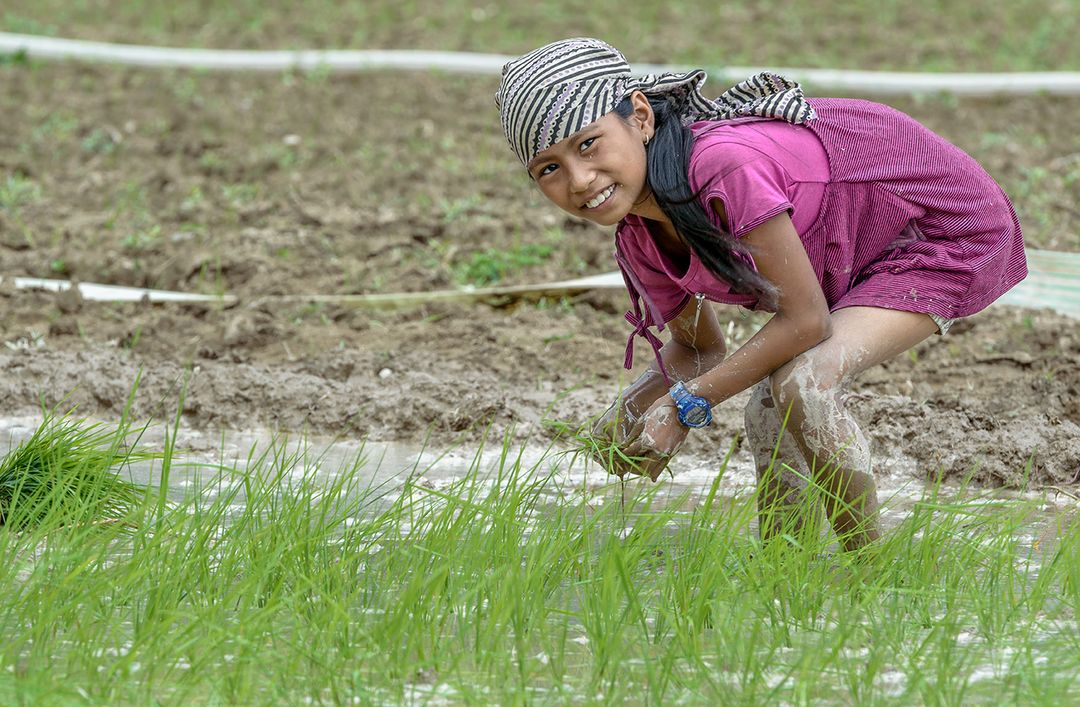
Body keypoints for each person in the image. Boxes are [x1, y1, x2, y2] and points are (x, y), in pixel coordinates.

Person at [494, 38, 1026, 550]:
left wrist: (684, 408)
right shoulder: (638, 237)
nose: (580, 179)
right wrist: (629, 410)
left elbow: (806, 322)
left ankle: (873, 575)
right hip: (848, 250)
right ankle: (784, 568)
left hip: (940, 227)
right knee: (768, 404)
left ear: (640, 115)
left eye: (588, 144)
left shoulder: (723, 168)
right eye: (549, 169)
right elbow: (700, 350)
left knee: (803, 384)